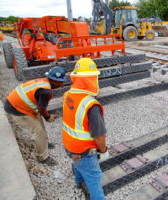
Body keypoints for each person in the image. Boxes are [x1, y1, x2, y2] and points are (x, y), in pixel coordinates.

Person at [62, 58, 108, 200]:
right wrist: (104, 150)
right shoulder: (91, 105)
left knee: (77, 165)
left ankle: (78, 183)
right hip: (84, 151)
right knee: (94, 178)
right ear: (91, 79)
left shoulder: (68, 94)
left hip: (69, 145)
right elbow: (99, 136)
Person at [4, 66, 67, 166]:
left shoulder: (44, 82)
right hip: (17, 108)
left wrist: (45, 116)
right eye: (61, 81)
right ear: (53, 80)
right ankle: (42, 157)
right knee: (38, 132)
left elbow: (39, 108)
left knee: (39, 122)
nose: (62, 84)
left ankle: (44, 143)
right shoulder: (45, 91)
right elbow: (42, 110)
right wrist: (48, 117)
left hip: (17, 102)